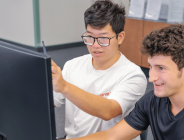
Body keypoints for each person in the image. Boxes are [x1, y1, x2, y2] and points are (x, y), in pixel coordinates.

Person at [68, 24, 184, 140]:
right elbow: (111, 135)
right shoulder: (152, 101)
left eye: (161, 68)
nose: (151, 77)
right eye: (151, 67)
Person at [51, 0, 147, 139]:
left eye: (103, 38)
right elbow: (51, 103)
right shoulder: (72, 65)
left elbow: (109, 111)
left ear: (120, 37)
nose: (95, 45)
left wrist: (65, 87)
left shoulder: (133, 75)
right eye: (90, 37)